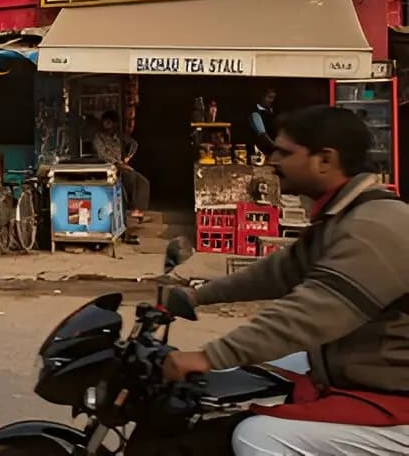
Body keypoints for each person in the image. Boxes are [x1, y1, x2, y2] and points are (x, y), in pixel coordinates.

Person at [154, 106, 409, 456]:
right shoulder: (343, 216)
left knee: (256, 437)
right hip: (366, 370)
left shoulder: (373, 227)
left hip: (397, 398)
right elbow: (279, 272)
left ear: (324, 160)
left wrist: (207, 356)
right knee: (249, 373)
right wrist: (196, 296)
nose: (272, 159)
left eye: (285, 152)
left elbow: (308, 313)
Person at [93, 109, 150, 222]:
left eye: (110, 122)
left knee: (144, 181)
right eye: (105, 122)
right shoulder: (98, 137)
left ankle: (137, 209)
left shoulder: (118, 136)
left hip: (121, 165)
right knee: (131, 176)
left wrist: (128, 157)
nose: (107, 125)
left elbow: (134, 144)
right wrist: (120, 164)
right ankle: (132, 207)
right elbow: (103, 155)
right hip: (109, 166)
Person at [249, 88, 278, 157]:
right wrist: (276, 147)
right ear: (262, 97)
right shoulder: (255, 113)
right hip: (262, 152)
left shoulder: (272, 111)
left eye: (273, 98)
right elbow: (262, 135)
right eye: (269, 97)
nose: (272, 100)